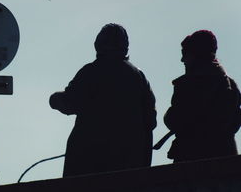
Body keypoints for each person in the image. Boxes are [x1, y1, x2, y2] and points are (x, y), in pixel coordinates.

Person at [49, 23, 157, 177]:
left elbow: (70, 102)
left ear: (98, 44)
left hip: (89, 163)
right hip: (130, 166)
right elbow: (150, 120)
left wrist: (54, 99)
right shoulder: (138, 77)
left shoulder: (91, 72)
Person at [164, 30, 241, 162]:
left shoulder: (188, 85)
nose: (182, 60)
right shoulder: (230, 85)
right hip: (225, 161)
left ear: (196, 55)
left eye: (185, 54)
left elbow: (174, 119)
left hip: (190, 161)